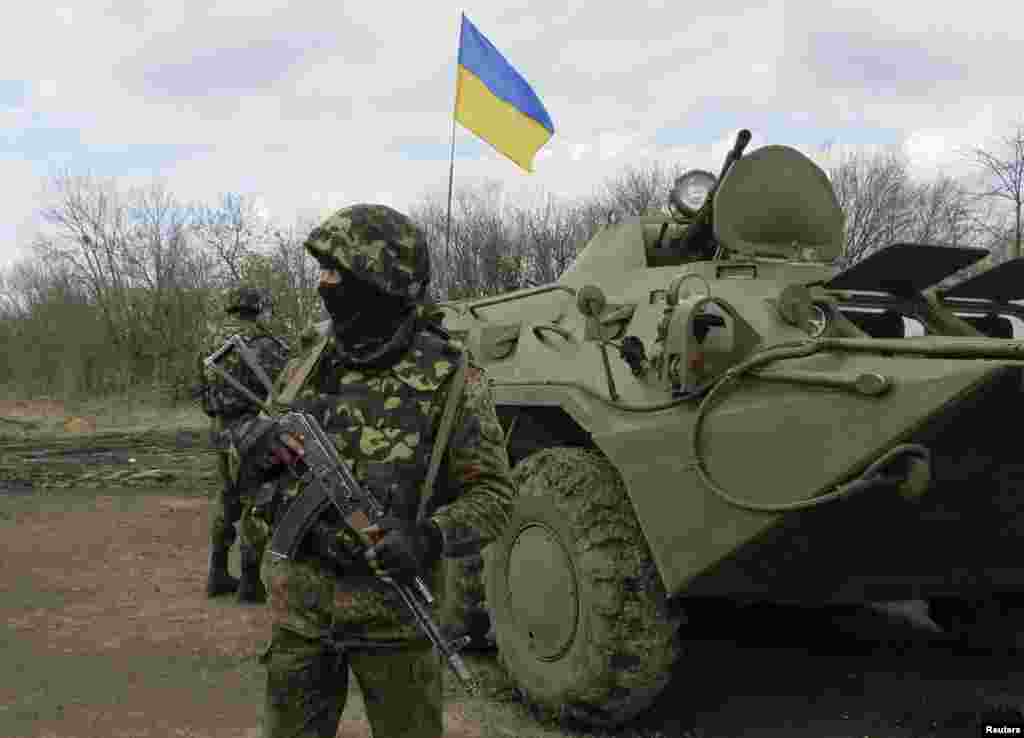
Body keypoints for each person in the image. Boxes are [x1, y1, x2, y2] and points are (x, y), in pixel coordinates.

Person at [230, 204, 514, 738]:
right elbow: (246, 467)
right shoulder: (307, 363)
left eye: (335, 273)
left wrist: (427, 537)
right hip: (302, 618)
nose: (322, 286)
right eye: (321, 273)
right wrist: (256, 446)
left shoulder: (449, 379)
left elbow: (496, 496)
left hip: (396, 625)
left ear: (378, 281)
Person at [197, 285, 289, 603]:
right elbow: (286, 389)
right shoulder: (266, 344)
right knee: (257, 502)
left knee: (227, 499)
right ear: (257, 308)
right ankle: (250, 583)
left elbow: (203, 397)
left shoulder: (209, 342)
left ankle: (217, 573)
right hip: (252, 433)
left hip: (220, 431)